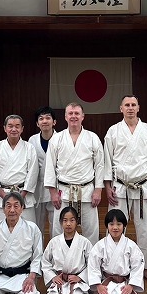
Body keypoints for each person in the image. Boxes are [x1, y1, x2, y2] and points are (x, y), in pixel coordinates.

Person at [104, 95, 147, 283]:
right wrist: (107, 186)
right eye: (127, 105)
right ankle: (113, 267)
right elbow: (107, 160)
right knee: (115, 226)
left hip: (143, 186)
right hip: (120, 187)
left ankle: (145, 268)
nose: (130, 108)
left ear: (138, 108)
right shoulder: (113, 131)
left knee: (146, 230)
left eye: (133, 105)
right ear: (121, 108)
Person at [45, 103, 104, 245]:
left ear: (83, 116)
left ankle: (91, 258)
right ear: (65, 117)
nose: (73, 116)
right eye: (70, 113)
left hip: (87, 192)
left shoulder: (92, 137)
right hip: (63, 192)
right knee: (59, 230)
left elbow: (100, 165)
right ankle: (59, 257)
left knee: (91, 231)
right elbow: (50, 166)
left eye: (77, 113)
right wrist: (53, 193)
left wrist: (98, 190)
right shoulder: (57, 138)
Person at [0, 192, 43, 294]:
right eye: (8, 206)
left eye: (16, 206)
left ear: (22, 208)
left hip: (22, 275)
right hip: (0, 275)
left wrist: (31, 278)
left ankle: (16, 293)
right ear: (3, 209)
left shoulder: (32, 228)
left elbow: (38, 256)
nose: (12, 210)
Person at [88, 209, 145, 294]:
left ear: (124, 226)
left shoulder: (131, 245)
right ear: (107, 226)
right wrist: (98, 285)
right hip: (107, 283)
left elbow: (137, 266)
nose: (115, 227)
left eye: (119, 224)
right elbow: (93, 266)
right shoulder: (100, 245)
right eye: (111, 224)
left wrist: (131, 285)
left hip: (124, 284)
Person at [0, 115, 38, 223]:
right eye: (10, 126)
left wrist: (21, 196)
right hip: (3, 195)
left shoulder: (29, 148)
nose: (14, 129)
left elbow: (33, 173)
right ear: (5, 128)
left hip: (23, 195)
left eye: (17, 126)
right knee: (2, 228)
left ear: (22, 129)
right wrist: (3, 195)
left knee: (27, 229)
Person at [41, 206, 93, 294]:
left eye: (72, 220)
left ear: (77, 222)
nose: (68, 224)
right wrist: (53, 277)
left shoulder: (84, 242)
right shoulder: (54, 242)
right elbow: (45, 262)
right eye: (65, 220)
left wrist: (80, 277)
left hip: (77, 282)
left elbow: (92, 264)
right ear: (61, 222)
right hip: (60, 280)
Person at [29, 106, 57, 237]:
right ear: (37, 123)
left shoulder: (61, 138)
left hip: (55, 186)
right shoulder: (32, 140)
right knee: (36, 223)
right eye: (41, 119)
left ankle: (54, 249)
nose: (44, 121)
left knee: (55, 222)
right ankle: (37, 249)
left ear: (54, 122)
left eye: (48, 118)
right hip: (37, 185)